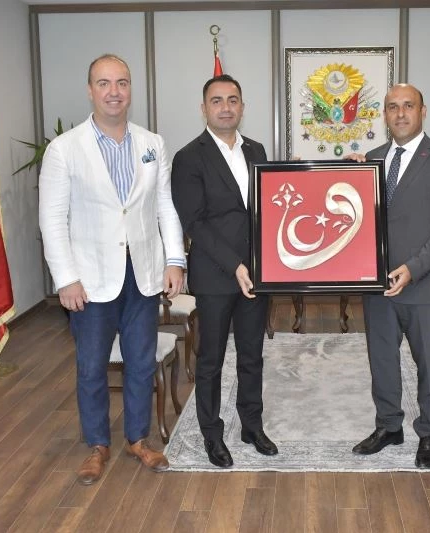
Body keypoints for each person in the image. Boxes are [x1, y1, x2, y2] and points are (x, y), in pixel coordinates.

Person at [39, 54, 185, 485]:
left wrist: (174, 260)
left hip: (142, 275)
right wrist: (66, 278)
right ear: (90, 91)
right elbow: (52, 219)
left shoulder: (151, 143)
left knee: (141, 362)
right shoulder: (65, 149)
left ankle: (137, 439)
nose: (114, 91)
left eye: (122, 82)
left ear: (130, 89)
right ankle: (97, 445)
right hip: (88, 280)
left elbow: (164, 205)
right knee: (91, 367)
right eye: (104, 83)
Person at [349, 84, 430, 468]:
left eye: (408, 106)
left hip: (422, 282)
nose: (400, 114)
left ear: (423, 111)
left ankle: (429, 432)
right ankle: (388, 426)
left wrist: (414, 268)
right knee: (382, 360)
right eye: (392, 107)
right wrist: (342, 174)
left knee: (429, 363)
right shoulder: (371, 160)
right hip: (376, 284)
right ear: (384, 114)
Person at [171, 74, 277, 468]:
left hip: (257, 276)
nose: (225, 107)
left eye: (232, 100)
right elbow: (195, 223)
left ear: (242, 107)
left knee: (252, 355)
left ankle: (252, 425)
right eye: (217, 101)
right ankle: (212, 434)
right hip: (216, 275)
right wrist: (235, 266)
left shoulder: (256, 150)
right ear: (204, 109)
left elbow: (271, 207)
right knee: (211, 359)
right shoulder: (188, 157)